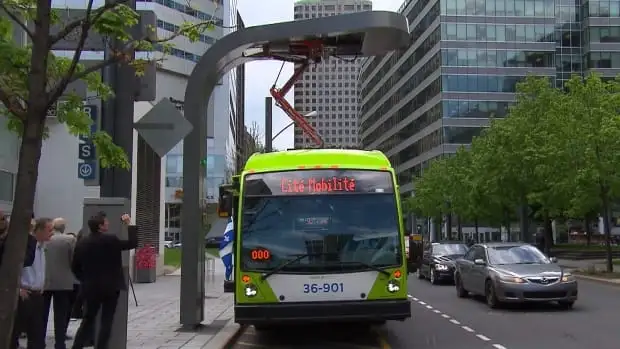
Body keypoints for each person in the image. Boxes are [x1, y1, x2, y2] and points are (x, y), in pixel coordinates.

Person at [71, 212, 138, 349]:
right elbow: (132, 243)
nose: (108, 224)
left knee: (88, 319)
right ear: (100, 226)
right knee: (107, 320)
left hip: (91, 287)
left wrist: (85, 279)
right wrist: (129, 224)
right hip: (111, 286)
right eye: (106, 222)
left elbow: (75, 266)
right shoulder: (111, 240)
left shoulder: (82, 242)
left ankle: (77, 346)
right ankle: (101, 347)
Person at [11, 217, 54, 349]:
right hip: (25, 294)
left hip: (38, 295)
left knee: (37, 334)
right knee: (15, 332)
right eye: (49, 230)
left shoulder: (43, 247)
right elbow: (13, 268)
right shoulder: (29, 247)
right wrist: (18, 289)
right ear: (39, 230)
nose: (52, 233)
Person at [43, 218, 77, 349]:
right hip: (63, 281)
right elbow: (74, 259)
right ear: (64, 227)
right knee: (61, 314)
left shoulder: (44, 240)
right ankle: (60, 343)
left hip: (45, 280)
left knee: (42, 313)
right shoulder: (69, 240)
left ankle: (40, 340)